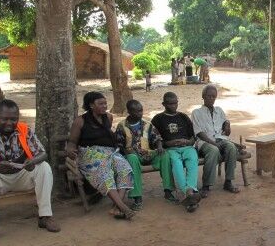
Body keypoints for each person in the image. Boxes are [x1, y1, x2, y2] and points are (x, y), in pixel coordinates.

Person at [0, 99, 60, 246]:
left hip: (22, 175)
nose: (9, 123)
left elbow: (43, 154)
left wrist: (32, 161)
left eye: (13, 119)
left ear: (18, 118)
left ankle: (45, 216)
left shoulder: (25, 130)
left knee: (44, 167)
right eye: (4, 119)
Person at [66, 91, 135, 220]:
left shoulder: (108, 117)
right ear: (91, 105)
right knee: (103, 171)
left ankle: (116, 207)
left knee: (124, 168)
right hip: (89, 155)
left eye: (105, 103)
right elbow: (72, 142)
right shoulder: (80, 121)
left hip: (110, 152)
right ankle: (123, 207)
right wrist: (70, 150)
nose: (104, 106)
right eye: (100, 103)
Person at [115, 100, 171, 210]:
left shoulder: (147, 124)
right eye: (137, 111)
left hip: (147, 153)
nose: (140, 113)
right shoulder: (122, 126)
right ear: (129, 112)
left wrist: (159, 146)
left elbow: (157, 138)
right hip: (132, 155)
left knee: (165, 155)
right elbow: (119, 145)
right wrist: (127, 152)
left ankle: (168, 191)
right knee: (132, 159)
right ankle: (137, 197)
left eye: (141, 110)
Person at [152, 92, 201, 212]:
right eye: (170, 103)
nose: (174, 106)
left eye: (175, 103)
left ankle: (189, 190)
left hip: (186, 147)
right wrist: (169, 143)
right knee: (176, 163)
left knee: (193, 158)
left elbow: (193, 137)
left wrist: (187, 142)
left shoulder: (183, 117)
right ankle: (187, 192)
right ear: (164, 104)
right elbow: (154, 139)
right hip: (170, 149)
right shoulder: (158, 119)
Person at [191, 84, 242, 197]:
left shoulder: (219, 110)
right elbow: (198, 132)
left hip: (220, 139)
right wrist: (213, 143)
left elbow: (226, 127)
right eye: (209, 96)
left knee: (231, 147)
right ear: (203, 96)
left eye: (214, 96)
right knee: (213, 150)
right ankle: (206, 185)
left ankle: (228, 182)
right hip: (204, 142)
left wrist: (227, 124)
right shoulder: (196, 113)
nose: (211, 99)